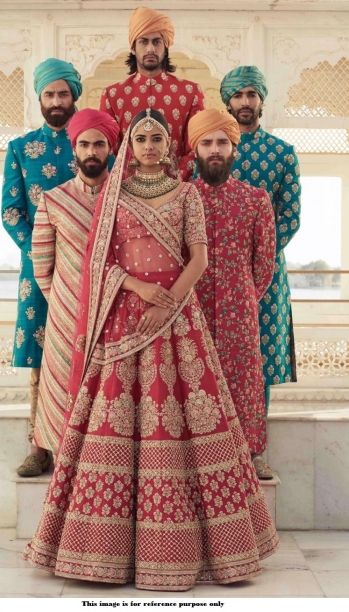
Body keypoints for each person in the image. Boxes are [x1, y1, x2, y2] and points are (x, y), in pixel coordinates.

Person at [23, 108, 279, 590]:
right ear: (130, 146)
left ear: (168, 146)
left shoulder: (186, 194)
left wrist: (171, 303)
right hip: (126, 319)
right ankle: (102, 553)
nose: (147, 145)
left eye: (156, 138)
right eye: (140, 138)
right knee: (116, 422)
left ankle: (200, 549)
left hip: (180, 321)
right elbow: (101, 263)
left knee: (188, 423)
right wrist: (140, 292)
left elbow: (198, 258)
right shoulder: (113, 197)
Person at [2, 58, 82, 477]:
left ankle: (83, 446)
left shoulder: (91, 143)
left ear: (74, 97)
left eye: (63, 94)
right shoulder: (20, 148)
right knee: (39, 355)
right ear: (39, 99)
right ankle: (39, 447)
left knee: (84, 353)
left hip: (87, 268)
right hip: (37, 272)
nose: (56, 101)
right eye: (49, 94)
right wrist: (41, 254)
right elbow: (12, 212)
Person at [220, 66, 301, 479]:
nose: (245, 102)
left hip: (266, 277)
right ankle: (218, 449)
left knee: (261, 361)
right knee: (215, 357)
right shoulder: (212, 149)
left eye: (252, 94)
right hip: (215, 275)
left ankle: (255, 451)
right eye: (238, 95)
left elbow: (290, 215)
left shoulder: (283, 152)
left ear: (262, 100)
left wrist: (257, 259)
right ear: (227, 101)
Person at [189, 109, 276, 467]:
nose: (214, 149)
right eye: (206, 142)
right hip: (189, 310)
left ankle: (249, 455)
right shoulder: (181, 198)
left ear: (234, 148)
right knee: (193, 384)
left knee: (243, 382)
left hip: (239, 312)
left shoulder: (255, 200)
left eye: (222, 142)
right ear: (195, 149)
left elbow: (264, 264)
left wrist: (241, 299)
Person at [31, 109, 120, 455]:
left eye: (99, 144)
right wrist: (66, 303)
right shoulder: (53, 200)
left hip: (117, 314)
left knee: (110, 391)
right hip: (67, 314)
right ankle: (61, 459)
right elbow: (42, 264)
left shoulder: (126, 198)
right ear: (74, 149)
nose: (92, 151)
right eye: (85, 144)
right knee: (60, 386)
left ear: (110, 148)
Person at [99, 6, 204, 180]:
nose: (150, 49)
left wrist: (177, 180)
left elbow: (195, 145)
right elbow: (109, 147)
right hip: (127, 190)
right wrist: (127, 182)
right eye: (143, 41)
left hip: (176, 188)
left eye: (156, 42)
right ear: (133, 47)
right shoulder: (112, 95)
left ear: (166, 46)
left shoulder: (190, 92)